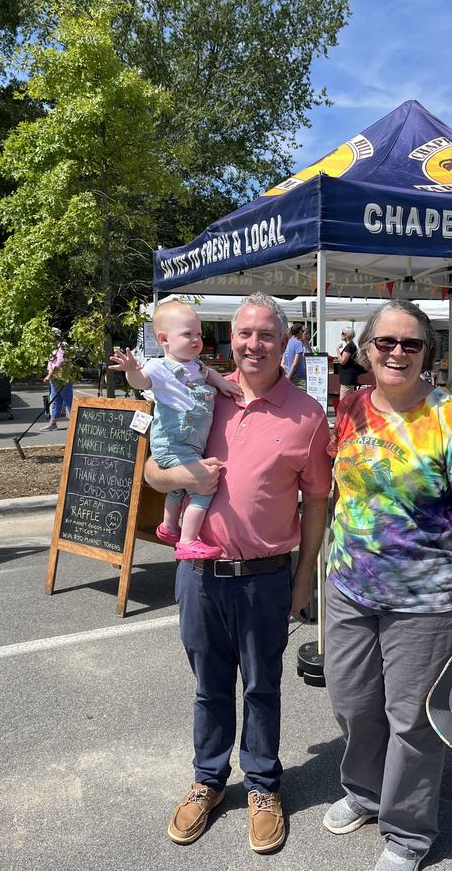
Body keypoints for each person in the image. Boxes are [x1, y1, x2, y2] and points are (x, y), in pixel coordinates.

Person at [144, 293, 331, 854]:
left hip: (267, 576)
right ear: (233, 338)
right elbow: (152, 472)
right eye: (244, 334)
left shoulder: (307, 415)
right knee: (208, 686)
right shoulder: (197, 388)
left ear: (284, 338)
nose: (253, 345)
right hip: (198, 573)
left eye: (265, 335)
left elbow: (317, 504)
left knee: (263, 686)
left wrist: (303, 582)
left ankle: (264, 785)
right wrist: (183, 473)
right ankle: (207, 779)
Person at [322, 299, 452, 871]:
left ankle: (406, 833)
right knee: (351, 704)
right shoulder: (349, 408)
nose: (397, 353)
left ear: (428, 352)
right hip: (349, 589)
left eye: (410, 344)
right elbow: (341, 492)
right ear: (367, 349)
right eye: (386, 343)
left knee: (411, 720)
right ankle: (366, 793)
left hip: (425, 600)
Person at [110, 300, 241, 560]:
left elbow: (210, 374)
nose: (196, 340)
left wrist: (222, 384)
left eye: (198, 334)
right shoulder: (158, 368)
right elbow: (141, 380)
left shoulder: (198, 366)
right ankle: (187, 541)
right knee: (203, 488)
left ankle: (169, 527)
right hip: (173, 443)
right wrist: (131, 371)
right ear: (164, 339)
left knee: (178, 488)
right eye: (187, 334)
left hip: (190, 443)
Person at [42, 329, 74, 432]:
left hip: (62, 379)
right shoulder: (54, 347)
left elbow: (60, 362)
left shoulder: (62, 345)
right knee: (55, 401)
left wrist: (49, 375)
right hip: (56, 379)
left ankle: (76, 423)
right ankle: (53, 423)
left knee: (68, 401)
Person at [336, 326, 362, 399]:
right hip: (348, 378)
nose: (341, 334)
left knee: (343, 403)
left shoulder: (349, 346)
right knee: (348, 401)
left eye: (343, 333)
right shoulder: (351, 345)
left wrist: (337, 349)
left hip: (347, 379)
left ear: (347, 335)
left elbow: (342, 361)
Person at [282, 321, 307, 388]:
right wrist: (289, 377)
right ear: (299, 331)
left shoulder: (287, 342)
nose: (303, 333)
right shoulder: (298, 343)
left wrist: (287, 375)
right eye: (302, 331)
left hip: (287, 375)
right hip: (298, 378)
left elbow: (283, 362)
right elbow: (295, 363)